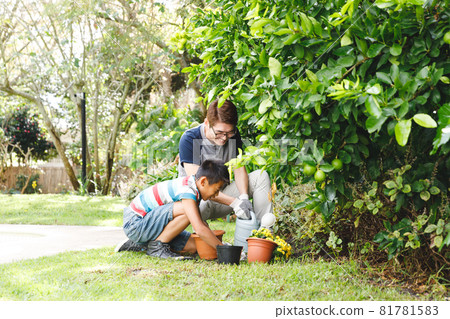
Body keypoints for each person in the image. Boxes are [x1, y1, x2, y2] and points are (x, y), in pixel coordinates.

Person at [178, 99, 274, 224]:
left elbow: (239, 169)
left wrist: (244, 198)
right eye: (219, 133)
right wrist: (234, 202)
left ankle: (264, 233)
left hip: (221, 195)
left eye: (229, 133)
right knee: (199, 204)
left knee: (261, 177)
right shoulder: (191, 138)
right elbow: (198, 185)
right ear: (207, 123)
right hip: (197, 201)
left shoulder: (232, 135)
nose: (224, 138)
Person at [115, 160, 230, 260]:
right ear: (203, 181)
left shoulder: (194, 188)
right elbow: (199, 228)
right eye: (216, 190)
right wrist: (223, 249)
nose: (216, 195)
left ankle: (140, 244)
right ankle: (156, 247)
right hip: (136, 224)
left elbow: (202, 225)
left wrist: (216, 243)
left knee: (195, 247)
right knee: (187, 210)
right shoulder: (187, 190)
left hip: (149, 225)